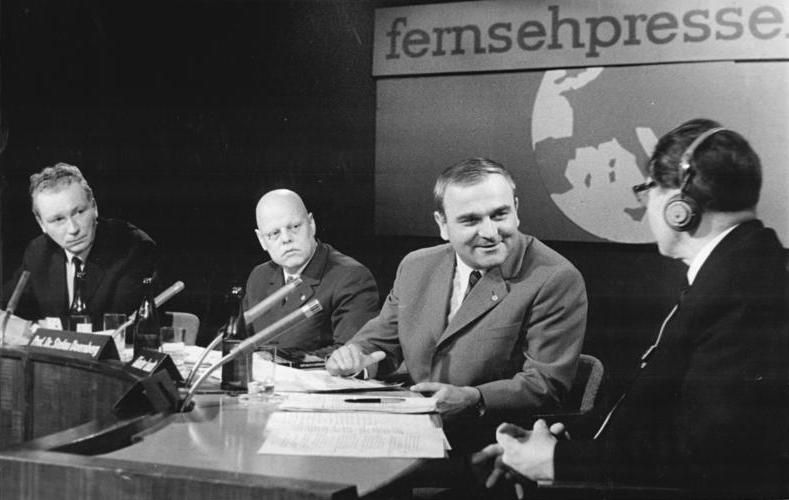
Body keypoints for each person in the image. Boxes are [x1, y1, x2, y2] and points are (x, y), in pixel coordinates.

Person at [475, 119, 789, 497]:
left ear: (679, 205)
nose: (646, 207)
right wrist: (560, 446)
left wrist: (559, 462)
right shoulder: (738, 270)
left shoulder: (744, 291)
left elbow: (710, 454)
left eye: (648, 190)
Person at [327, 158, 588, 451]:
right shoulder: (416, 266)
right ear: (442, 224)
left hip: (490, 444)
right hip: (409, 432)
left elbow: (545, 384)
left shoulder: (555, 278)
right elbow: (379, 343)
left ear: (516, 210)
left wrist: (473, 398)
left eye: (500, 214)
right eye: (471, 220)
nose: (490, 233)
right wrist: (356, 360)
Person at [2, 163, 157, 326]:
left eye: (79, 212)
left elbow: (119, 326)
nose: (73, 229)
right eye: (58, 219)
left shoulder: (133, 248)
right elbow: (7, 308)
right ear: (41, 224)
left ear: (94, 207)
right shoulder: (38, 252)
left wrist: (38, 328)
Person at [243, 189, 379, 359]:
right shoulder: (260, 276)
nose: (286, 239)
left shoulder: (351, 277)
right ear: (262, 240)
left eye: (294, 227)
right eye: (274, 233)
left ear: (311, 224)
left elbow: (351, 354)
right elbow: (236, 340)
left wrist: (279, 359)